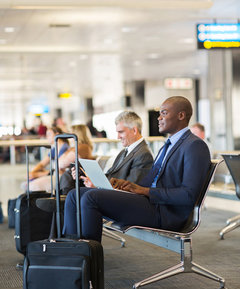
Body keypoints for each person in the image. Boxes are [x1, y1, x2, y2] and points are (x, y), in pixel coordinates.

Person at [63, 96, 211, 242]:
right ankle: (72, 250)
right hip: (150, 203)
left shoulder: (194, 146)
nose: (159, 118)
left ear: (181, 115)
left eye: (164, 113)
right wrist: (127, 187)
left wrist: (144, 191)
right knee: (75, 194)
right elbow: (150, 181)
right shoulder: (167, 146)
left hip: (165, 212)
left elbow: (188, 195)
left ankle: (89, 257)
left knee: (91, 197)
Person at [67, 110, 153, 192]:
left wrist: (97, 186)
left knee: (83, 196)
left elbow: (132, 188)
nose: (118, 137)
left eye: (121, 132)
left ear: (134, 130)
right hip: (111, 192)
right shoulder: (124, 151)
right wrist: (85, 175)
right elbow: (109, 175)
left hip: (121, 198)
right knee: (73, 193)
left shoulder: (144, 154)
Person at [30, 124, 94, 192]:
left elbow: (59, 164)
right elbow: (53, 164)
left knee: (32, 186)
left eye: (71, 132)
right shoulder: (75, 147)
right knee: (30, 184)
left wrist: (37, 174)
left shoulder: (82, 148)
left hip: (67, 179)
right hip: (65, 177)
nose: (68, 135)